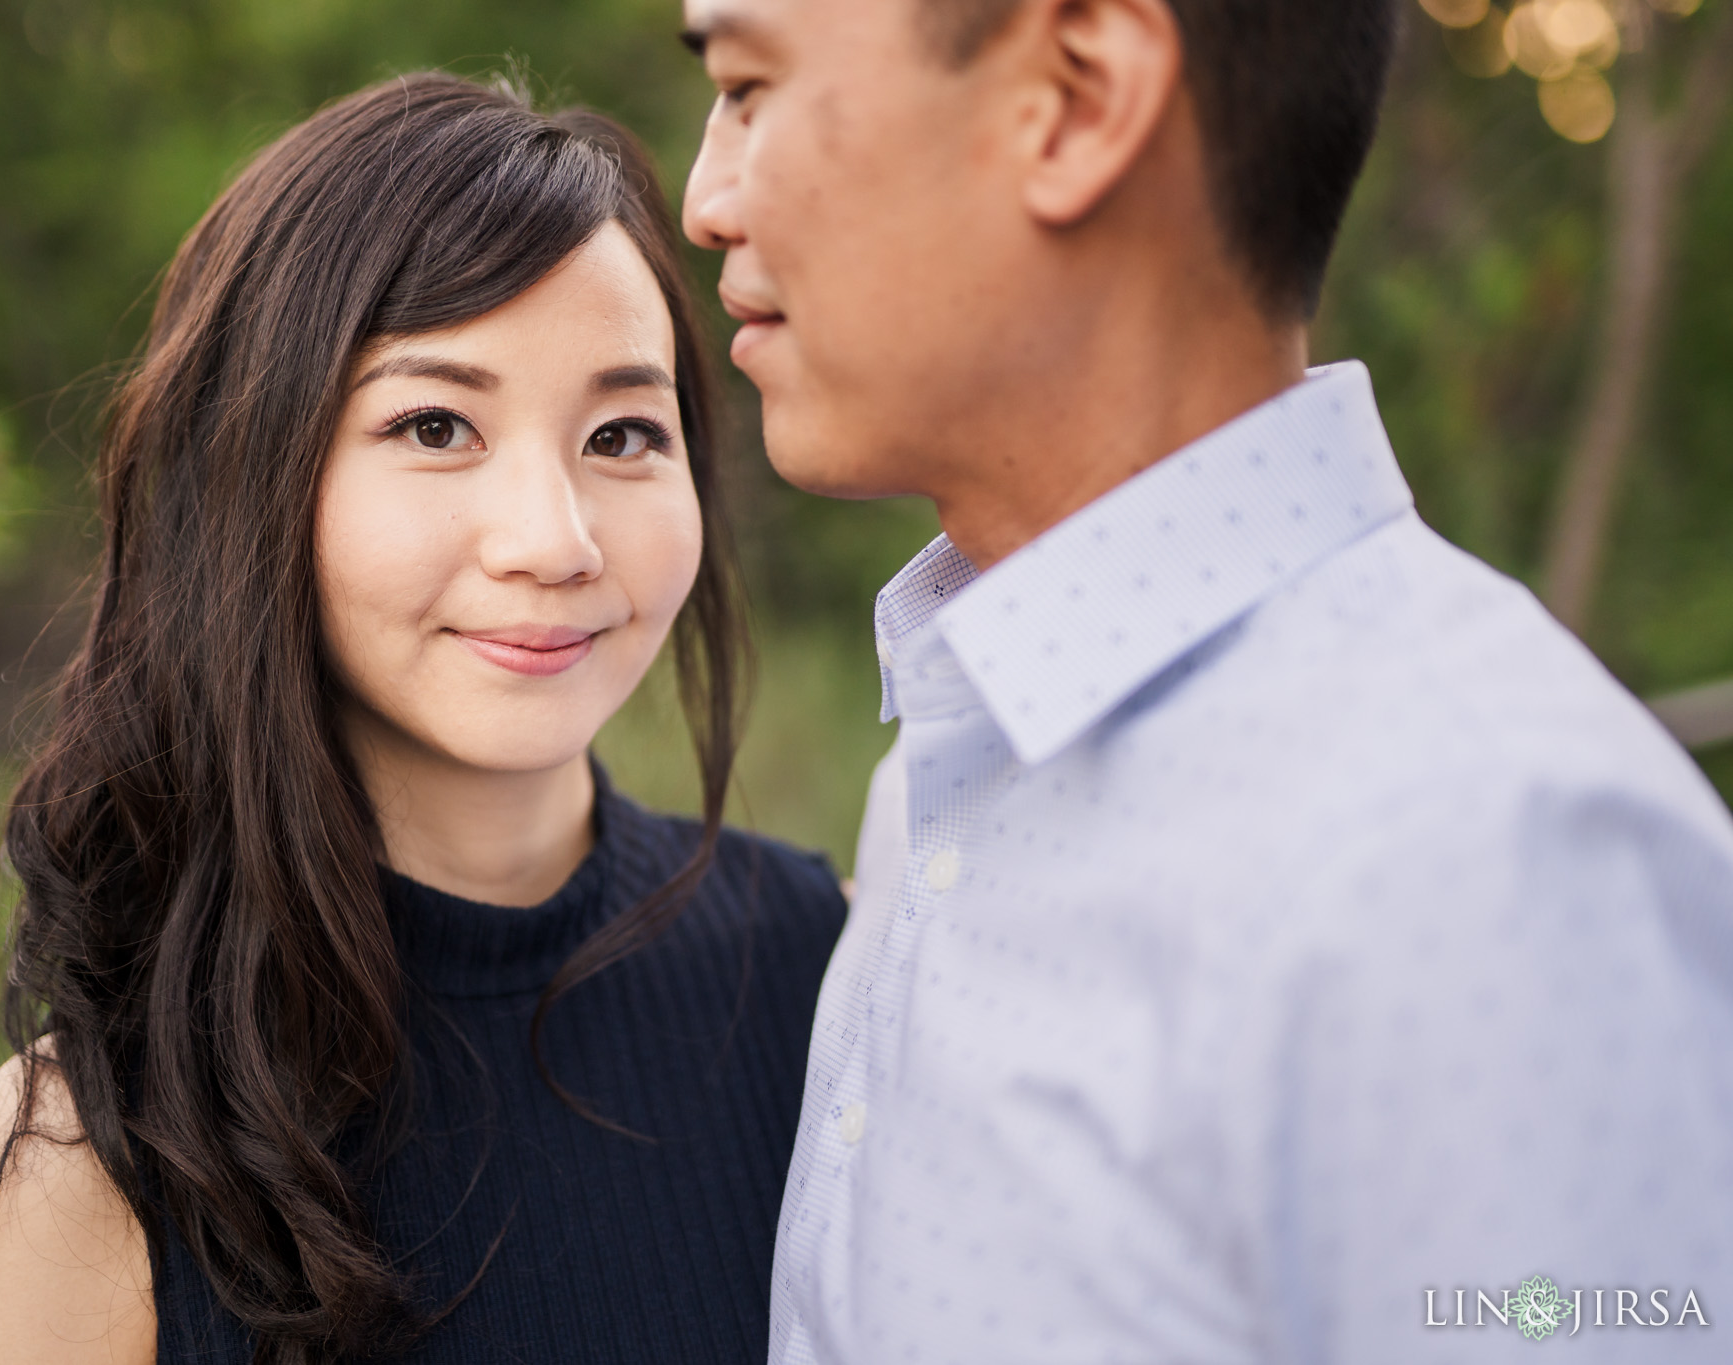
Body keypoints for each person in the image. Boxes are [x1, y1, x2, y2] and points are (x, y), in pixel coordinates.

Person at [679, 0, 1733, 1361]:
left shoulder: (1492, 858)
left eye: (752, 87)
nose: (707, 199)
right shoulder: (951, 770)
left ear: (1075, 97)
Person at [0, 74, 846, 1365]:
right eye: (435, 423)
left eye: (625, 432)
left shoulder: (832, 962)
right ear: (255, 473)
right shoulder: (95, 1143)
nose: (555, 541)